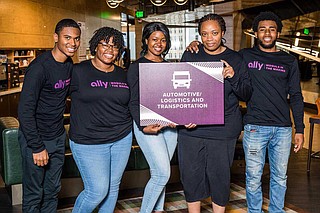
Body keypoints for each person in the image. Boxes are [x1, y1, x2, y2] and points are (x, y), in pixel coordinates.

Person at [180, 14, 252, 213]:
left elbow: (246, 93)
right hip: (191, 130)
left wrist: (233, 76)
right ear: (199, 35)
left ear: (222, 33)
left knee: (219, 176)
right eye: (204, 34)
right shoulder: (191, 54)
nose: (209, 38)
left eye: (214, 33)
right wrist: (185, 117)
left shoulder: (235, 59)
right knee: (190, 175)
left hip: (223, 128)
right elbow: (181, 92)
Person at [239, 11, 304, 213]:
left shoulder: (289, 61)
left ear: (277, 33)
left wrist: (299, 129)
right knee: (253, 177)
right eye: (262, 29)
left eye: (272, 29)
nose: (267, 33)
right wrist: (194, 47)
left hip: (283, 130)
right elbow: (219, 54)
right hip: (255, 128)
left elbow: (296, 96)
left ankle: (277, 210)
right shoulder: (245, 56)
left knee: (280, 177)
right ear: (256, 33)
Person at [18, 19, 81, 212]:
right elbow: (25, 110)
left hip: (57, 136)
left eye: (76, 39)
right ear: (56, 38)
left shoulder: (69, 64)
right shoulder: (40, 67)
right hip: (36, 139)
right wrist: (37, 147)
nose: (73, 43)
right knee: (34, 194)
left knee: (53, 190)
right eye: (67, 38)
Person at [68, 26, 132, 212]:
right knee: (97, 191)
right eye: (105, 44)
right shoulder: (77, 72)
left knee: (112, 189)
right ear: (95, 46)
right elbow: (54, 98)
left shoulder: (124, 74)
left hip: (121, 138)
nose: (109, 50)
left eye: (115, 46)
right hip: (88, 141)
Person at [127, 22, 177, 213]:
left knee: (159, 173)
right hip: (147, 127)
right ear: (146, 40)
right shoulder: (136, 67)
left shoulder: (169, 66)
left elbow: (172, 99)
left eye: (163, 40)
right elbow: (132, 100)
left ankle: (158, 210)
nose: (159, 43)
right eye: (155, 39)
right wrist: (142, 126)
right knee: (163, 174)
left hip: (170, 129)